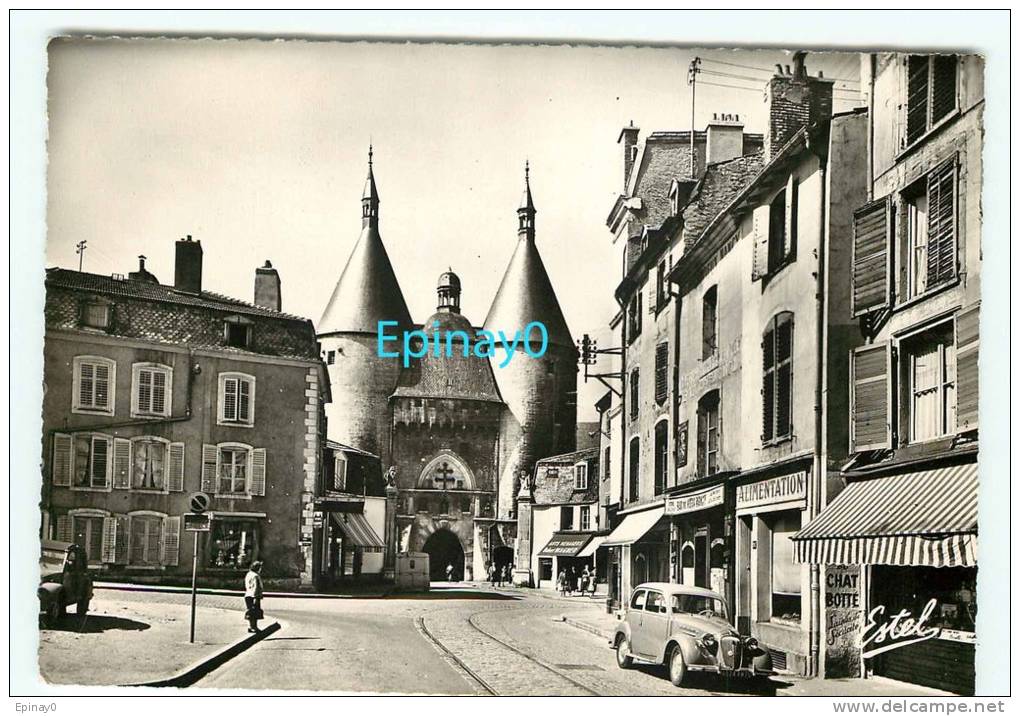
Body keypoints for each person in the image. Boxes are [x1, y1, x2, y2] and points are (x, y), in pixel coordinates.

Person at [244, 560, 264, 633]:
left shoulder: (248, 574)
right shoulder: (256, 576)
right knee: (255, 612)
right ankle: (254, 627)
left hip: (247, 594)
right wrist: (256, 596)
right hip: (254, 595)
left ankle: (250, 626)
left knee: (250, 611)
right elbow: (256, 586)